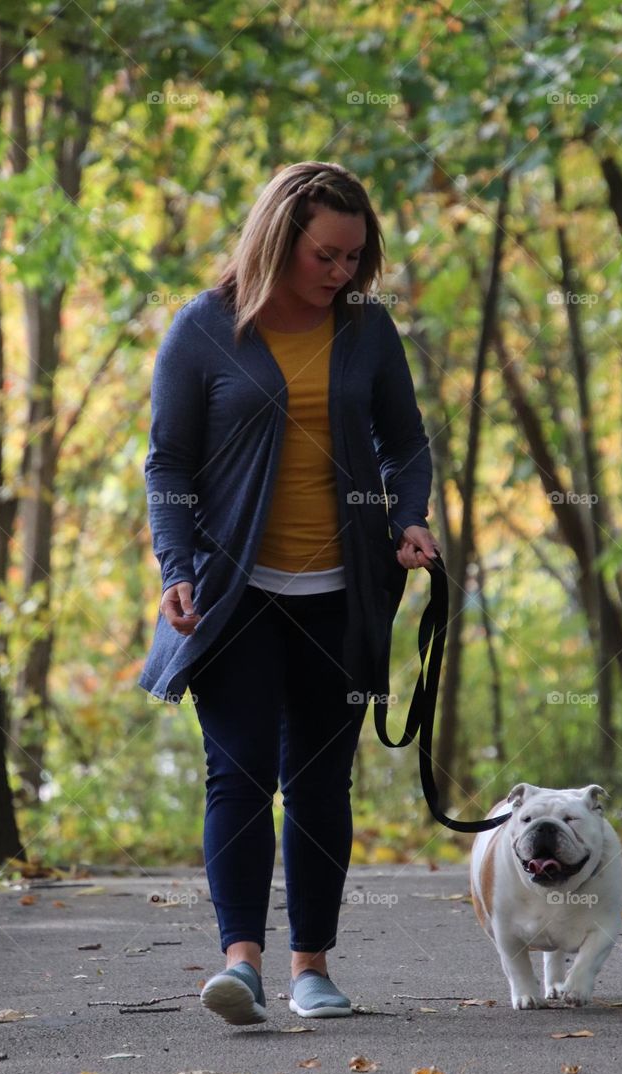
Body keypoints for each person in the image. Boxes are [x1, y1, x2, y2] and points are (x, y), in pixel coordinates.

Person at [139, 161, 440, 1025]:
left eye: (354, 257)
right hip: (235, 595)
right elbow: (167, 464)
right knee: (236, 773)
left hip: (340, 595)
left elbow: (404, 444)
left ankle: (313, 967)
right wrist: (177, 568)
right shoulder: (203, 330)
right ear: (278, 239)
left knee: (318, 782)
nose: (341, 273)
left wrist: (406, 518)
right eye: (325, 255)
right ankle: (242, 964)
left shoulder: (367, 331)